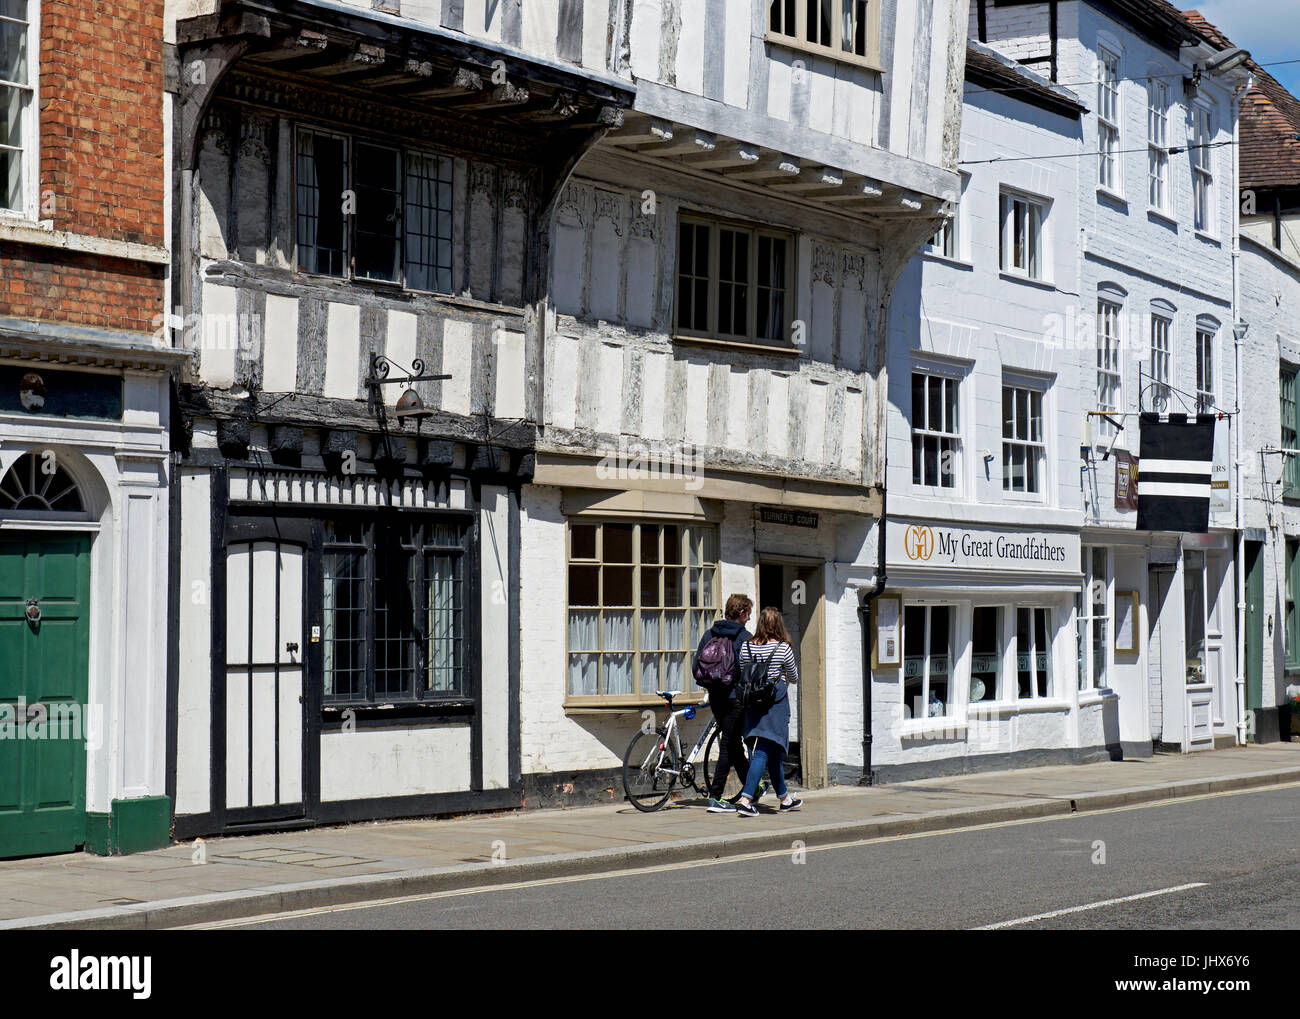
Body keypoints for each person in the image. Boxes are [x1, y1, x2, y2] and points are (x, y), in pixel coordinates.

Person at [694, 593, 761, 813]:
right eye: (748, 613)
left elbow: (697, 666)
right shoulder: (744, 637)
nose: (749, 618)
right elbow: (751, 672)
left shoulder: (709, 633)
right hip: (736, 698)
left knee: (732, 743)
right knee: (728, 743)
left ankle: (753, 788)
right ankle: (715, 797)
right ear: (741, 613)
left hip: (716, 696)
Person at [734, 607, 802, 817]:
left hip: (753, 704)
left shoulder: (746, 646)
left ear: (761, 623)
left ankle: (784, 798)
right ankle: (746, 799)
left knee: (772, 751)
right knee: (763, 750)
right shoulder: (783, 648)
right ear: (779, 624)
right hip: (775, 705)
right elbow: (793, 677)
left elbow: (744, 670)